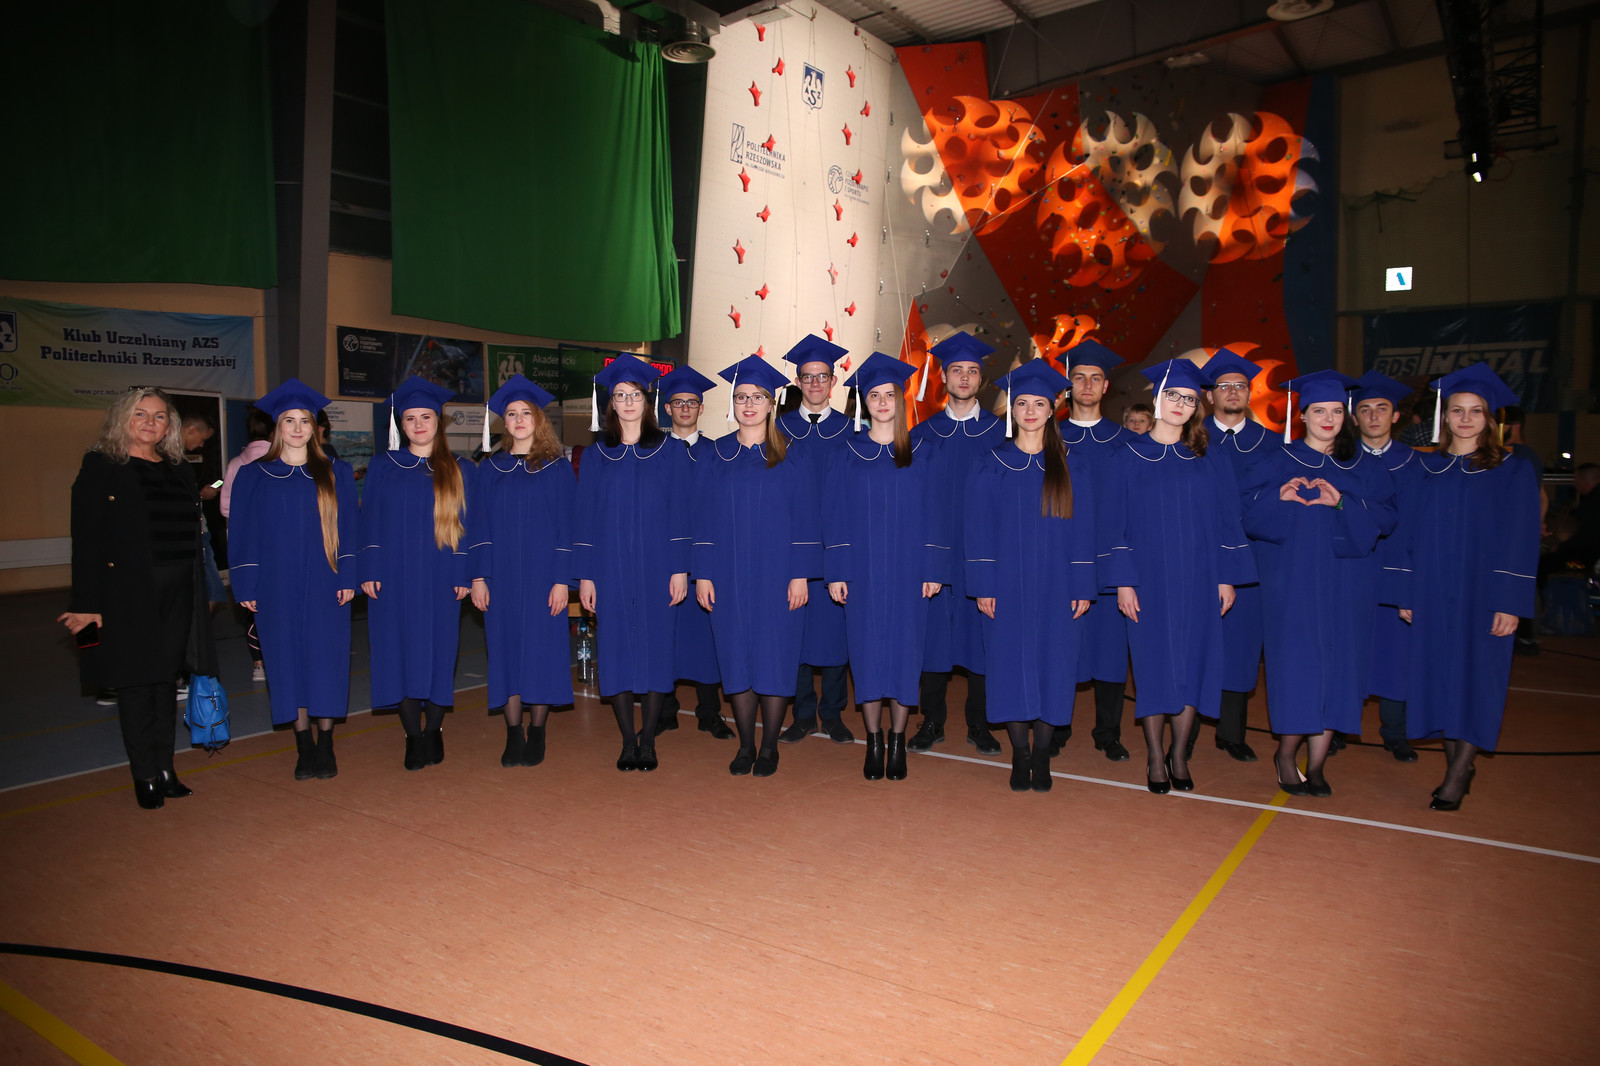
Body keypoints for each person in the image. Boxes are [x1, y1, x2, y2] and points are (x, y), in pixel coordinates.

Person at [1242, 370, 1397, 798]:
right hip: (1291, 583)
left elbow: (1386, 518)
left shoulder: (1363, 466)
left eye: (1335, 411)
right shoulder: (1277, 461)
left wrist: (1343, 502)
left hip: (1348, 583)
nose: (1328, 419)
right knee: (1298, 668)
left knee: (1340, 669)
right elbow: (1245, 512)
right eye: (1319, 411)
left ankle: (1318, 764)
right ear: (1303, 415)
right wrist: (1278, 498)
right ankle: (1286, 755)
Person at [59, 387, 214, 809]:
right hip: (126, 593)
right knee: (135, 684)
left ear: (170, 426)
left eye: (160, 416)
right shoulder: (100, 466)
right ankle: (144, 773)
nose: (150, 422)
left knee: (165, 683)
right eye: (141, 414)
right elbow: (86, 541)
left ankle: (166, 769)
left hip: (177, 591)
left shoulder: (178, 469)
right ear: (123, 419)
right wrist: (85, 603)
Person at [1109, 359, 1256, 794]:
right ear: (1157, 399)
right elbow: (1114, 525)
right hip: (1148, 580)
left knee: (1194, 665)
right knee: (1154, 666)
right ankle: (1156, 755)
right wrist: (1123, 582)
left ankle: (1179, 753)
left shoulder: (1209, 458)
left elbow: (1228, 521)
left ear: (1197, 407)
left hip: (1200, 576)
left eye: (1189, 398)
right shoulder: (1127, 455)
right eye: (1172, 395)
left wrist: (1226, 577)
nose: (1180, 404)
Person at [1398, 364, 1540, 810]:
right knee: (1442, 679)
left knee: (1479, 679)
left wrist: (1510, 602)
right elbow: (1408, 534)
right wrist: (1407, 593)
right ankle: (1457, 764)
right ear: (1445, 417)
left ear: (1490, 418)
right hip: (1433, 590)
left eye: (1475, 411)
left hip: (1485, 593)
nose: (1464, 418)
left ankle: (1458, 772)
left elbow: (1522, 538)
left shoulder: (1512, 470)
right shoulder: (1426, 468)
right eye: (1457, 410)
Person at [965, 359, 1096, 792]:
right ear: (1012, 409)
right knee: (1009, 666)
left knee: (1054, 667)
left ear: (1053, 408)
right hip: (1006, 585)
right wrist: (984, 586)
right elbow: (978, 529)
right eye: (1022, 403)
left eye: (1039, 404)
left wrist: (1082, 585)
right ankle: (1019, 754)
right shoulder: (990, 463)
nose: (1030, 411)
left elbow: (1085, 530)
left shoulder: (1072, 465)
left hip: (1058, 585)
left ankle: (1043, 754)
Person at [692, 355, 820, 776]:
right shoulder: (716, 455)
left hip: (778, 574)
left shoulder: (792, 454)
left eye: (758, 397)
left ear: (771, 403)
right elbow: (702, 519)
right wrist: (703, 573)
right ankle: (745, 744)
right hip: (727, 574)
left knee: (775, 656)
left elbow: (806, 518)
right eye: (742, 397)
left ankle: (769, 747)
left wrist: (800, 574)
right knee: (736, 656)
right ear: (733, 402)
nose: (749, 404)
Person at [824, 353, 947, 781]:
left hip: (909, 573)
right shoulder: (847, 453)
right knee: (867, 654)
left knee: (905, 655)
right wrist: (837, 571)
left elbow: (937, 515)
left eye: (889, 395)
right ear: (865, 401)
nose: (881, 402)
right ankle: (873, 739)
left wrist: (934, 568)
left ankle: (898, 740)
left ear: (901, 399)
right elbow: (834, 516)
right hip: (862, 572)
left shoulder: (924, 453)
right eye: (874, 395)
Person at [228, 380, 358, 780]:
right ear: (277, 426)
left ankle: (326, 744)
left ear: (316, 427)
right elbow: (242, 533)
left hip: (326, 582)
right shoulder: (254, 475)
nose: (298, 428)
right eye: (290, 420)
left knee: (325, 661)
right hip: (276, 584)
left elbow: (350, 529)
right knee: (285, 662)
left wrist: (349, 576)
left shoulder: (336, 472)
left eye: (305, 420)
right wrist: (246, 584)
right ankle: (303, 746)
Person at [574, 354, 691, 772]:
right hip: (610, 568)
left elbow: (682, 513)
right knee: (616, 651)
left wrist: (680, 568)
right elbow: (585, 520)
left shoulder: (671, 452)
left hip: (659, 567)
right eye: (620, 395)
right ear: (611, 403)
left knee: (657, 651)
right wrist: (586, 576)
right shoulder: (596, 456)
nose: (627, 402)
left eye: (635, 395)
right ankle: (628, 740)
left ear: (648, 400)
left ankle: (649, 739)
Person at [359, 376, 476, 771]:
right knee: (398, 653)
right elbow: (370, 521)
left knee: (439, 653)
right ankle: (412, 734)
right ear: (401, 423)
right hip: (392, 577)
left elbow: (469, 525)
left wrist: (463, 573)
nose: (418, 425)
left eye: (426, 417)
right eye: (410, 418)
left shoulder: (460, 468)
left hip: (442, 575)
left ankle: (434, 730)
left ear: (438, 421)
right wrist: (370, 568)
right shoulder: (383, 466)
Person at [470, 374, 577, 768]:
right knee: (506, 652)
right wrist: (478, 578)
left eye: (525, 413)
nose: (518, 420)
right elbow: (477, 527)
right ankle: (513, 731)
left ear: (538, 419)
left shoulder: (557, 468)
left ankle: (538, 730)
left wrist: (562, 581)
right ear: (504, 421)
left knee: (541, 654)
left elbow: (568, 527)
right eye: (512, 414)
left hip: (543, 577)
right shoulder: (489, 469)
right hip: (501, 578)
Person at [908, 331, 1007, 756]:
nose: (964, 378)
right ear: (944, 378)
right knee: (933, 642)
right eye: (956, 371)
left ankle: (979, 723)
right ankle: (932, 720)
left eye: (972, 371)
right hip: (934, 556)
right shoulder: (922, 434)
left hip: (984, 557)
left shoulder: (1001, 434)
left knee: (983, 642)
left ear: (981, 379)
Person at [1055, 338, 1135, 761]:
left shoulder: (1126, 443)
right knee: (1063, 645)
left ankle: (1108, 731)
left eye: (1095, 378)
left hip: (1110, 559)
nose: (1087, 385)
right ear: (1069, 385)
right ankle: (1057, 726)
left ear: (1106, 387)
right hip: (1062, 560)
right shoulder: (1050, 437)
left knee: (1110, 649)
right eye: (1079, 377)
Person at [774, 335, 855, 746]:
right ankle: (803, 714)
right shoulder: (778, 429)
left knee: (836, 632)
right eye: (807, 377)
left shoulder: (850, 431)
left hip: (838, 546)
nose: (815, 383)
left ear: (834, 380)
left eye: (822, 376)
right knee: (797, 630)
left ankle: (833, 713)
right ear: (798, 382)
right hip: (790, 548)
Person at [1201, 346, 1273, 762]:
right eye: (1224, 385)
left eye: (1240, 386)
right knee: (1196, 639)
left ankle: (1231, 732)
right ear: (1210, 394)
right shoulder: (1189, 437)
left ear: (1249, 393)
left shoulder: (1270, 444)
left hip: (1250, 557)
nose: (1232, 391)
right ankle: (1186, 730)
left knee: (1241, 644)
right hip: (1196, 554)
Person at [654, 364, 731, 740]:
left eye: (692, 402)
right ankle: (665, 710)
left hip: (703, 559)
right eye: (678, 402)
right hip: (663, 559)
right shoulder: (652, 453)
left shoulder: (717, 452)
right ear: (667, 408)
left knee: (705, 638)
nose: (685, 408)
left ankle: (709, 711)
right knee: (665, 635)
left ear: (702, 408)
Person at [1351, 370, 1425, 761]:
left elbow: (1419, 528)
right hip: (1351, 573)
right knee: (1348, 653)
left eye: (1382, 408)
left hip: (1398, 571)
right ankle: (1339, 726)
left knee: (1397, 656)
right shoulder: (1340, 461)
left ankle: (1396, 732)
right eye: (1365, 409)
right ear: (1355, 417)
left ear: (1395, 416)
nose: (1374, 416)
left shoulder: (1417, 465)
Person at [223, 406, 274, 684]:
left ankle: (258, 663)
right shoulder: (282, 460)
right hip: (278, 548)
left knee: (251, 605)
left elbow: (225, 507)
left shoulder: (236, 463)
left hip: (247, 549)